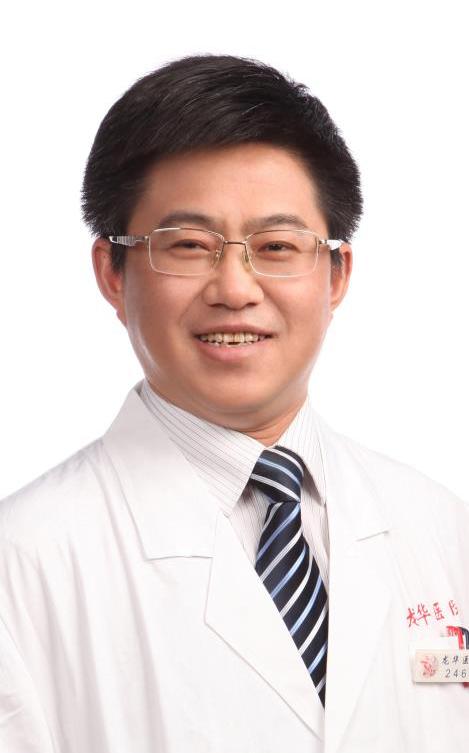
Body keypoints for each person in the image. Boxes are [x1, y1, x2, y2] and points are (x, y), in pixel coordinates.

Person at [0, 53, 467, 753]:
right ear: (112, 272)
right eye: (189, 245)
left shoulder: (440, 527)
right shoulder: (21, 564)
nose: (235, 288)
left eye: (276, 245)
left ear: (336, 273)